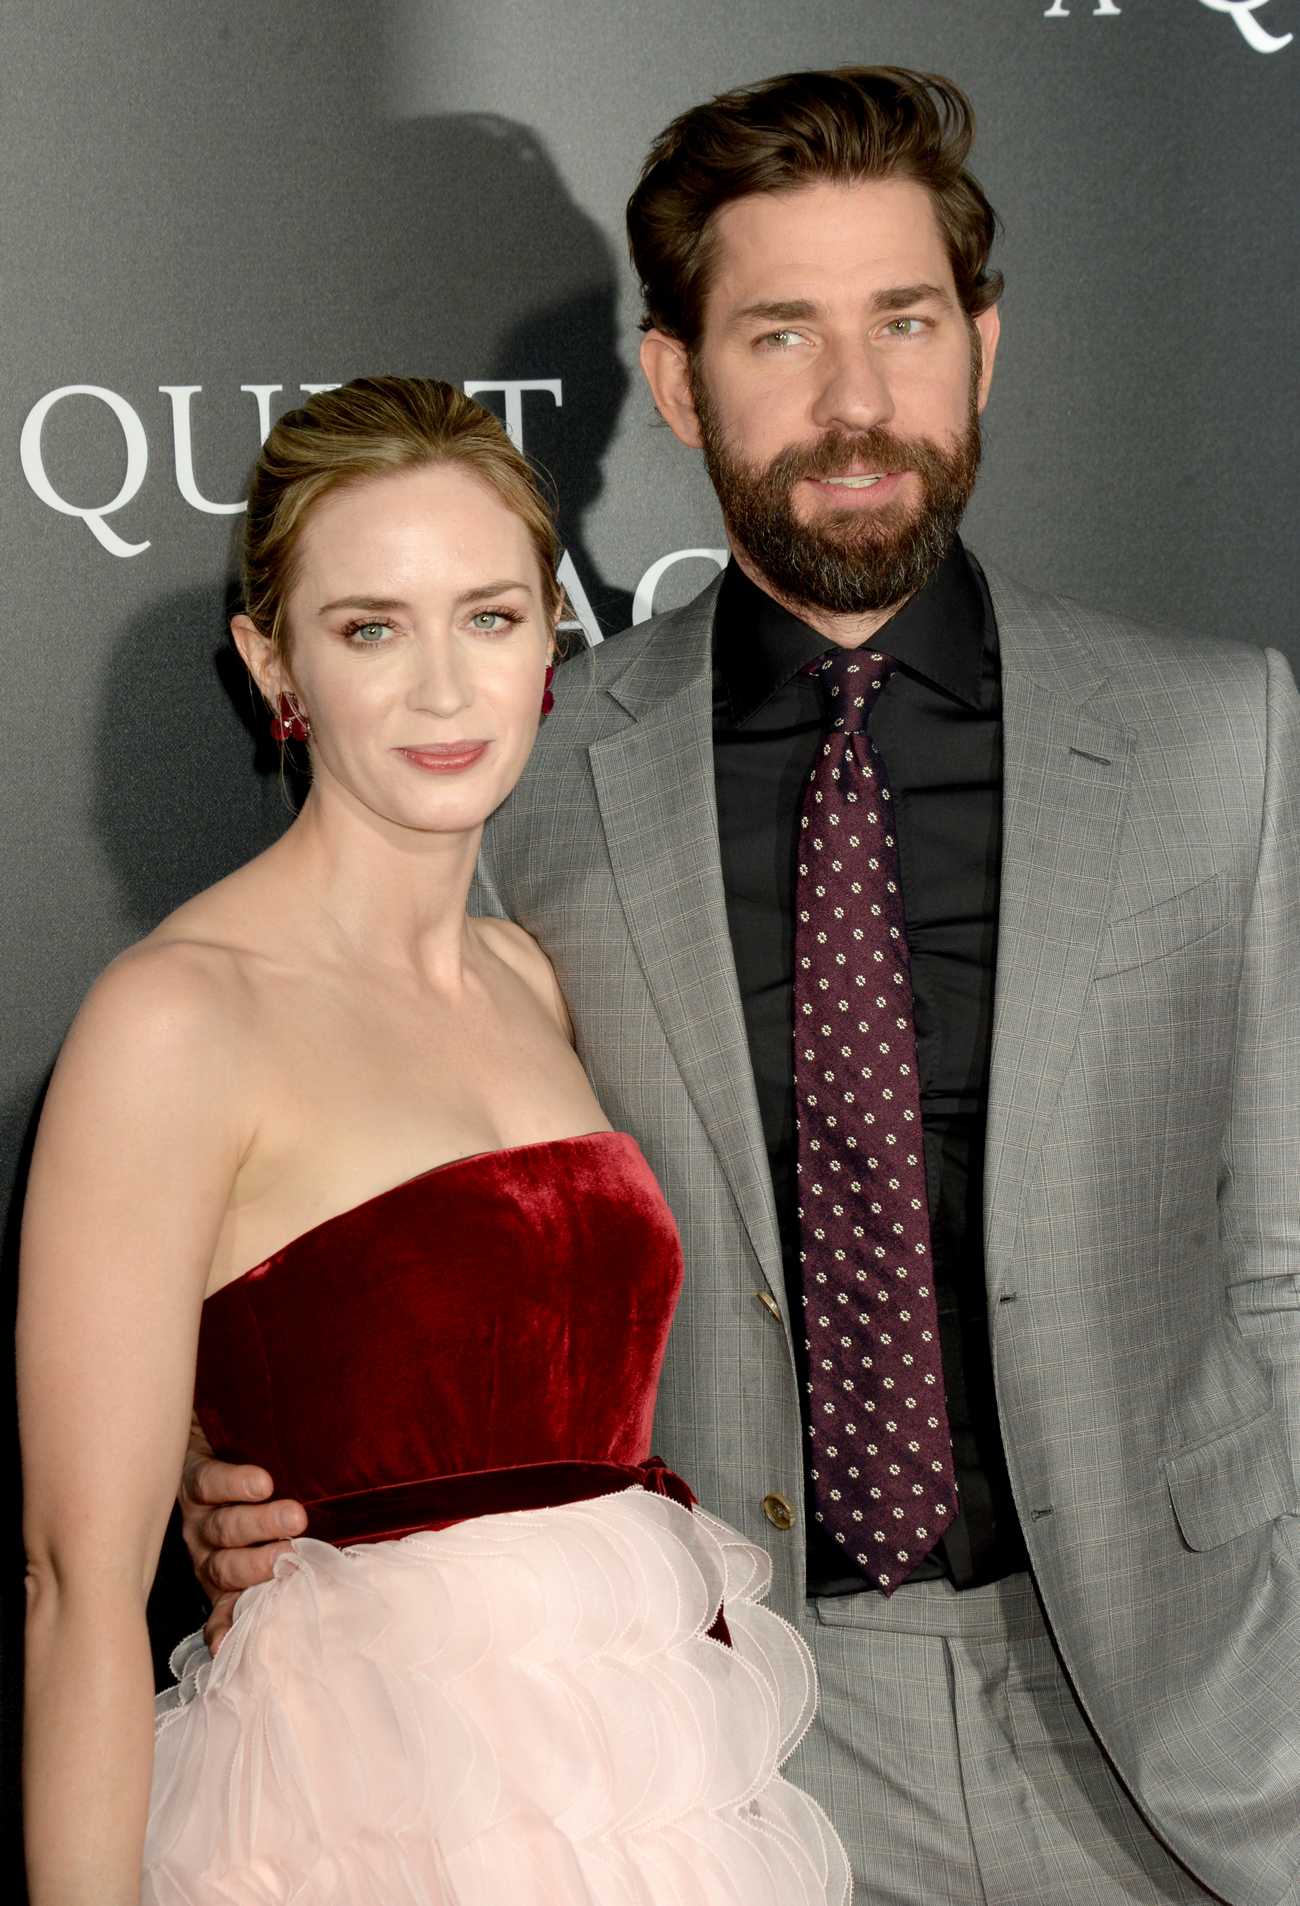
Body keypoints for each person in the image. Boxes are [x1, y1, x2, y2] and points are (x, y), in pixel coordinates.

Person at [183, 67, 1300, 1906]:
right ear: (682, 382)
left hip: (1182, 1715)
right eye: (783, 333)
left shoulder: (1216, 737)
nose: (858, 404)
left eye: (906, 324)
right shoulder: (523, 776)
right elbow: (308, 1126)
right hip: (730, 1733)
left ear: (985, 346)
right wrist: (217, 1463)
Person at [18, 376, 852, 1904]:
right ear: (275, 663)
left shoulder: (533, 975)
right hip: (362, 1811)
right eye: (369, 628)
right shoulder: (175, 1019)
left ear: (550, 638)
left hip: (641, 1779)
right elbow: (76, 1590)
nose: (442, 691)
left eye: (487, 615)